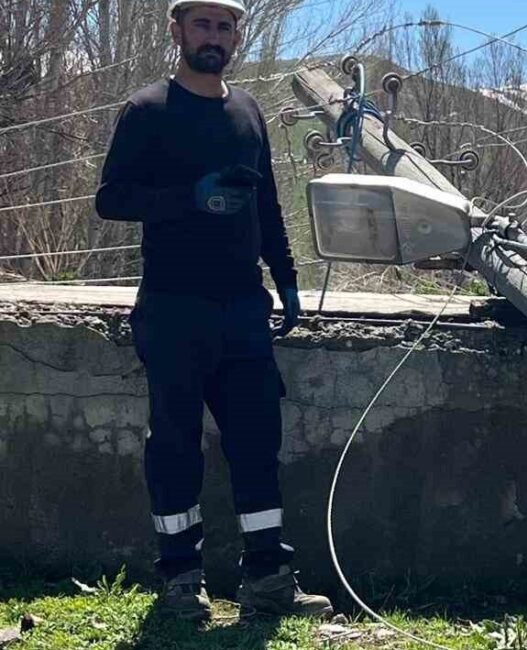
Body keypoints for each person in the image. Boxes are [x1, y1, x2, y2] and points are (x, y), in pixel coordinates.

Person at [96, 0, 331, 621]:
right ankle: (180, 582)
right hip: (173, 309)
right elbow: (111, 198)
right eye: (201, 24)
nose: (213, 36)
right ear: (177, 31)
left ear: (235, 37)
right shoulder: (147, 111)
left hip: (241, 310)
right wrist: (190, 199)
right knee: (174, 445)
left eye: (224, 27)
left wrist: (285, 279)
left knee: (257, 443)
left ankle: (269, 580)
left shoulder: (247, 110)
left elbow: (268, 208)